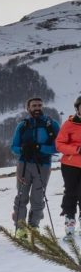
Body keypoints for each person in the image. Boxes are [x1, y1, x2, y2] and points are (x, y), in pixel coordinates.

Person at [10, 98, 60, 236]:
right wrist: (23, 150)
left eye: (39, 105)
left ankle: (34, 226)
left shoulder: (51, 124)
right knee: (21, 196)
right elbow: (13, 147)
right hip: (24, 164)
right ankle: (20, 227)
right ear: (28, 108)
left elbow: (58, 147)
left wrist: (40, 148)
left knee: (38, 197)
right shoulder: (23, 125)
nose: (37, 108)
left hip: (43, 165)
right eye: (34, 106)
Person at [55, 94, 81, 238]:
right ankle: (69, 220)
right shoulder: (69, 124)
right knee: (71, 191)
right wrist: (77, 150)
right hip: (70, 164)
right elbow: (59, 144)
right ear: (77, 109)